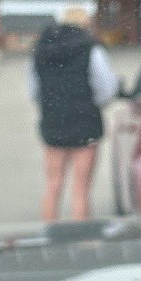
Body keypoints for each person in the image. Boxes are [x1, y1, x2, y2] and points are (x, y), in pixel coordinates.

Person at [28, 20, 119, 222]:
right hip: (86, 122)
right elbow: (106, 88)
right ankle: (81, 243)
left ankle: (49, 239)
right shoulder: (91, 50)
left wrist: (52, 103)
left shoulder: (41, 51)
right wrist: (90, 103)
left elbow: (34, 90)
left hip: (53, 121)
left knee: (53, 184)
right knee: (81, 189)